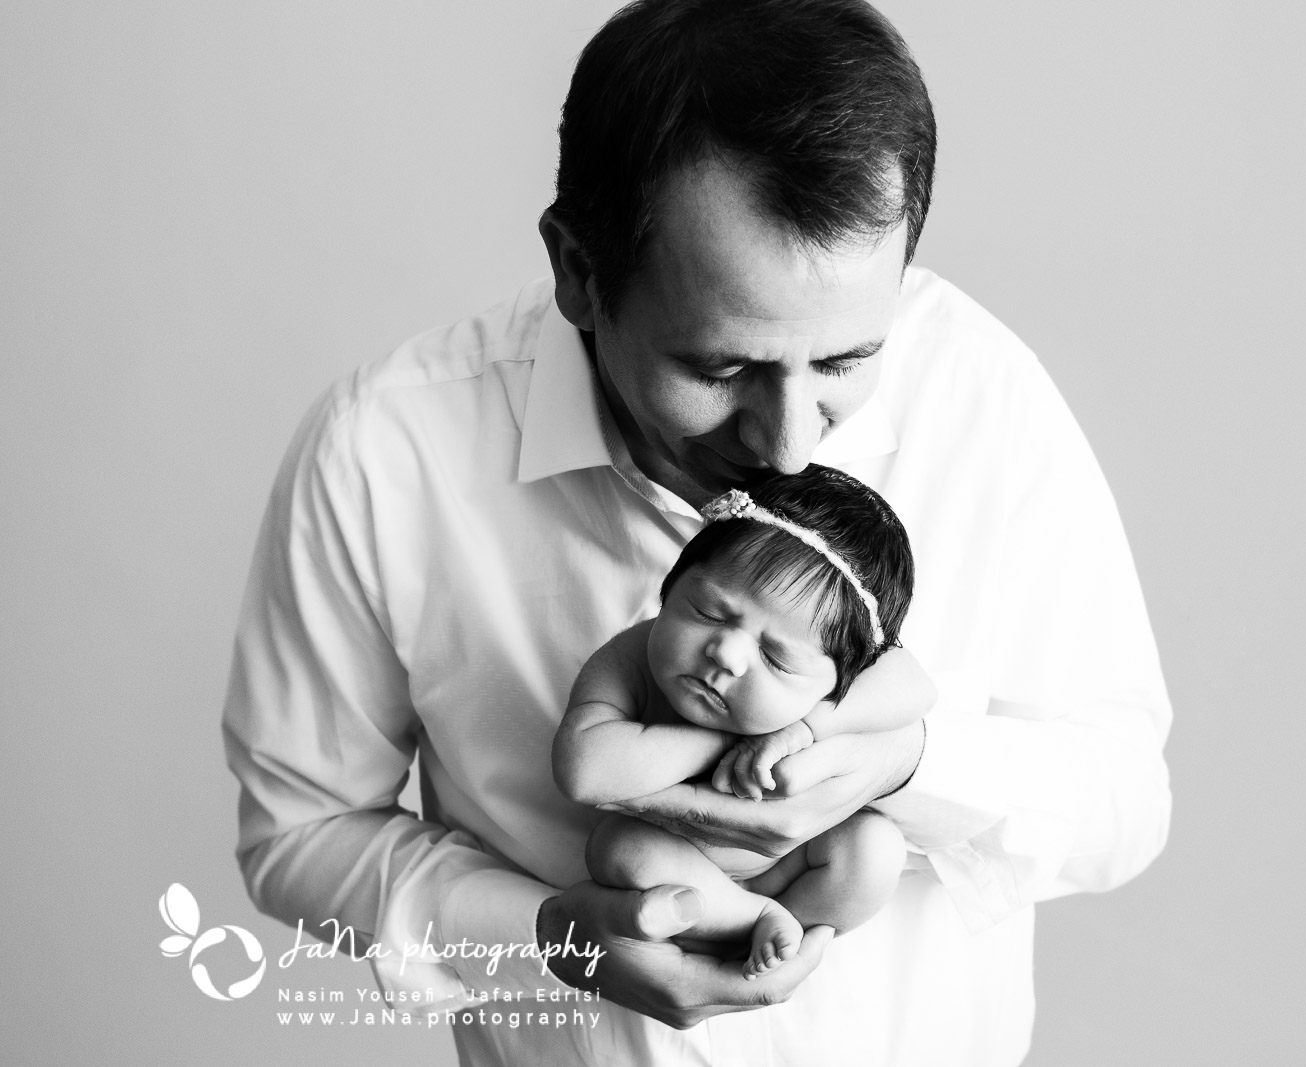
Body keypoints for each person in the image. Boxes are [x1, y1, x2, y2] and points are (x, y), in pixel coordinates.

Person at [223, 1, 1173, 1064]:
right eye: (721, 370)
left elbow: (1124, 797)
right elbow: (301, 832)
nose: (787, 444)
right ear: (579, 271)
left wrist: (911, 762)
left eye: (849, 362)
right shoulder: (384, 452)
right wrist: (548, 940)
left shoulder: (981, 395)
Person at [554, 466, 929, 980]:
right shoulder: (632, 657)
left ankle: (786, 935)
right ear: (670, 586)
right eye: (708, 612)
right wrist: (725, 739)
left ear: (841, 678)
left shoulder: (819, 701)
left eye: (776, 658)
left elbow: (917, 686)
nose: (726, 653)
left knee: (874, 850)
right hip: (675, 871)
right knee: (617, 848)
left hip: (788, 873)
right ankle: (754, 919)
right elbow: (583, 771)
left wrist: (805, 728)